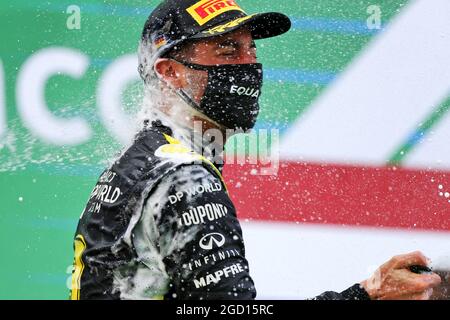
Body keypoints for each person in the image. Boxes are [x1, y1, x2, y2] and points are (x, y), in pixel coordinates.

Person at [70, 0, 441, 300]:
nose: (249, 65)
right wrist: (365, 297)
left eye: (252, 49)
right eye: (228, 51)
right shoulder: (186, 180)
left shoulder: (144, 158)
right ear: (169, 71)